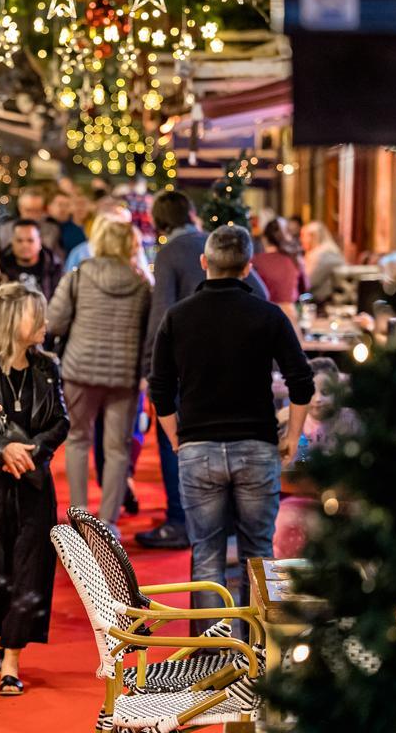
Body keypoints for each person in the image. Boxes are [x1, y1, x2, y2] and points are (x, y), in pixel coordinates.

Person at [148, 225, 314, 635]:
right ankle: (259, 650)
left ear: (204, 264)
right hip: (256, 447)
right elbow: (302, 381)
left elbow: (160, 389)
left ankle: (212, 655)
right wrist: (292, 436)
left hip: (198, 448)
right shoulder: (268, 315)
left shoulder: (177, 316)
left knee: (206, 553)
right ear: (247, 268)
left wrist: (174, 436)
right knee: (258, 553)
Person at [136, 191, 268, 551]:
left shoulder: (168, 253)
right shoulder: (212, 244)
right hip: (231, 366)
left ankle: (181, 521)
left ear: (159, 223)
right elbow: (261, 294)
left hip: (183, 365)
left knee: (174, 440)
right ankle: (220, 520)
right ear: (191, 213)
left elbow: (161, 315)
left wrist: (151, 371)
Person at [0, 282, 69, 697]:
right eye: (36, 315)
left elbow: (61, 421)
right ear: (12, 321)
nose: (45, 323)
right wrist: (0, 449)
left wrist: (37, 449)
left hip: (34, 485)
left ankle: (11, 659)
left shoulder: (47, 367)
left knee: (30, 572)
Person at [48, 219, 151, 532]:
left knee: (78, 440)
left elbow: (55, 322)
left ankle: (79, 516)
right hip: (124, 375)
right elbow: (149, 332)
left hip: (79, 370)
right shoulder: (143, 284)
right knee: (117, 448)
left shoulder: (79, 276)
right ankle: (108, 521)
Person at [252, 217, 308, 317]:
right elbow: (305, 288)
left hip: (267, 316)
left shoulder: (256, 261)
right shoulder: (295, 259)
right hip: (292, 317)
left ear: (264, 238)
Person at [0, 219, 63, 300]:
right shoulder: (1, 268)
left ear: (39, 242)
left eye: (30, 240)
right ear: (12, 242)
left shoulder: (54, 267)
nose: (25, 245)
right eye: (19, 241)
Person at [0, 188, 62, 257]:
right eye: (28, 210)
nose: (32, 215)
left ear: (43, 210)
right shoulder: (6, 230)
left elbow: (59, 258)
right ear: (20, 208)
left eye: (37, 211)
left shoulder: (52, 230)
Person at [300, 220, 347, 304]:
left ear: (313, 237)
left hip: (323, 302)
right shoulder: (319, 253)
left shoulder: (325, 256)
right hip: (318, 298)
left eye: (303, 236)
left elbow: (308, 283)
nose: (301, 240)